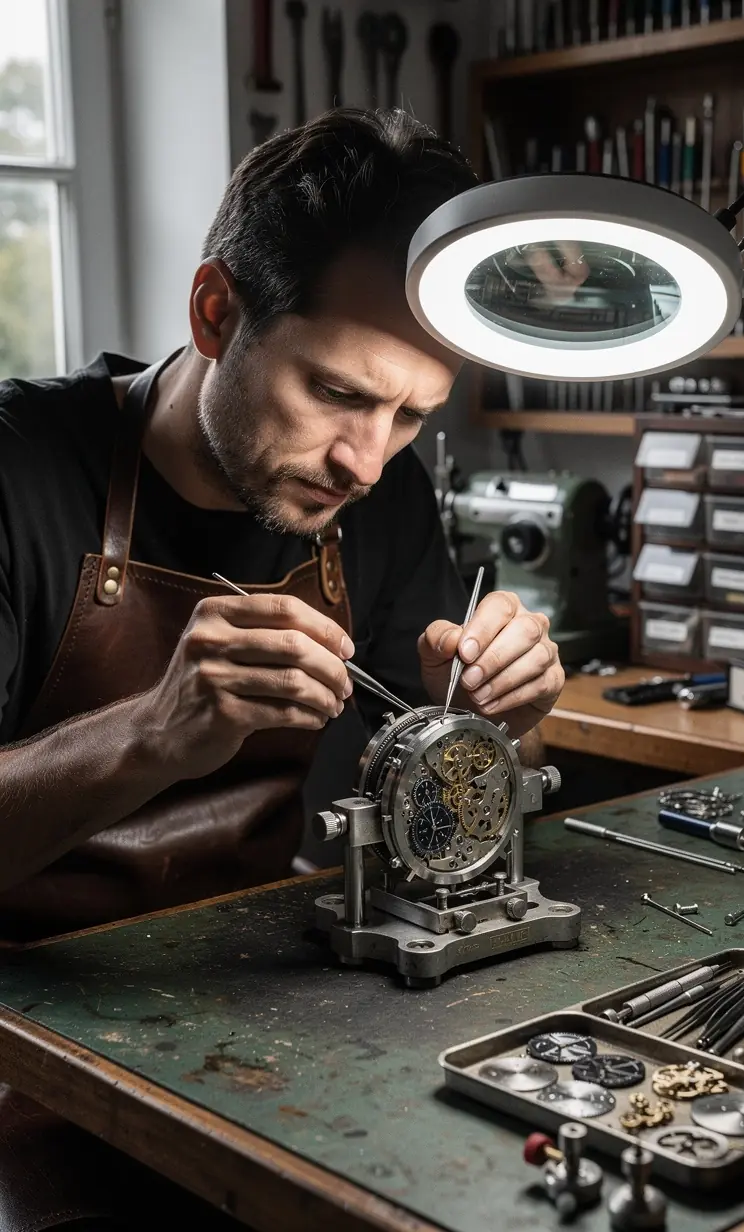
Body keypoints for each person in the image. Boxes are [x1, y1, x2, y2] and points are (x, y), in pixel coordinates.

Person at [0, 109, 564, 1229]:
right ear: (217, 313)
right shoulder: (19, 472)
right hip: (28, 1041)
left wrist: (509, 717)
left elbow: (451, 779)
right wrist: (152, 731)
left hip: (263, 1003)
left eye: (412, 414)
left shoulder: (380, 495)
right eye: (340, 394)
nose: (365, 459)